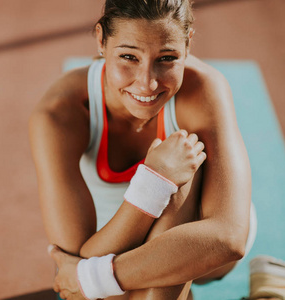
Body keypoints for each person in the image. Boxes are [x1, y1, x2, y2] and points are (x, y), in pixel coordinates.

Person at [29, 0, 257, 299]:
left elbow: (228, 238)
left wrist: (92, 279)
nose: (148, 83)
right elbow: (75, 255)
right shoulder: (60, 113)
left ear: (187, 45)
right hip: (110, 239)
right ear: (101, 40)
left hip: (201, 241)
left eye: (167, 58)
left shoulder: (203, 88)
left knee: (184, 175)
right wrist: (154, 180)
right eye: (128, 56)